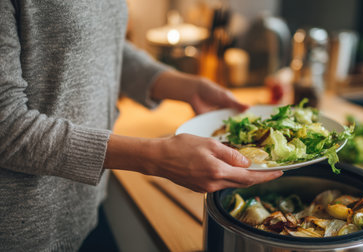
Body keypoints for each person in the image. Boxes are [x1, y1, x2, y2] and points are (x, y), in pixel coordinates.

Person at [0, 1, 283, 251]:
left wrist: (183, 86)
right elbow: (7, 127)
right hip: (23, 233)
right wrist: (154, 157)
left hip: (82, 210)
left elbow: (98, 44)